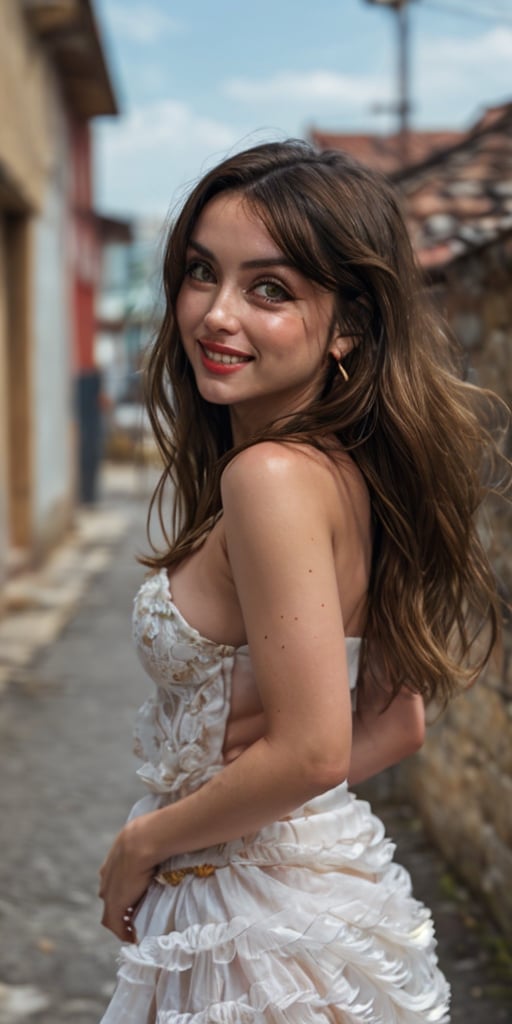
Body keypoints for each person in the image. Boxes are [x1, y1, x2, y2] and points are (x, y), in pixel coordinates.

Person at [98, 140, 508, 1023]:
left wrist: (148, 842)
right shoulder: (352, 471)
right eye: (202, 272)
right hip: (306, 889)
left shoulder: (270, 479)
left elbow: (316, 749)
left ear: (349, 326)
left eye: (271, 289)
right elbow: (396, 723)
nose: (215, 313)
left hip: (253, 924)